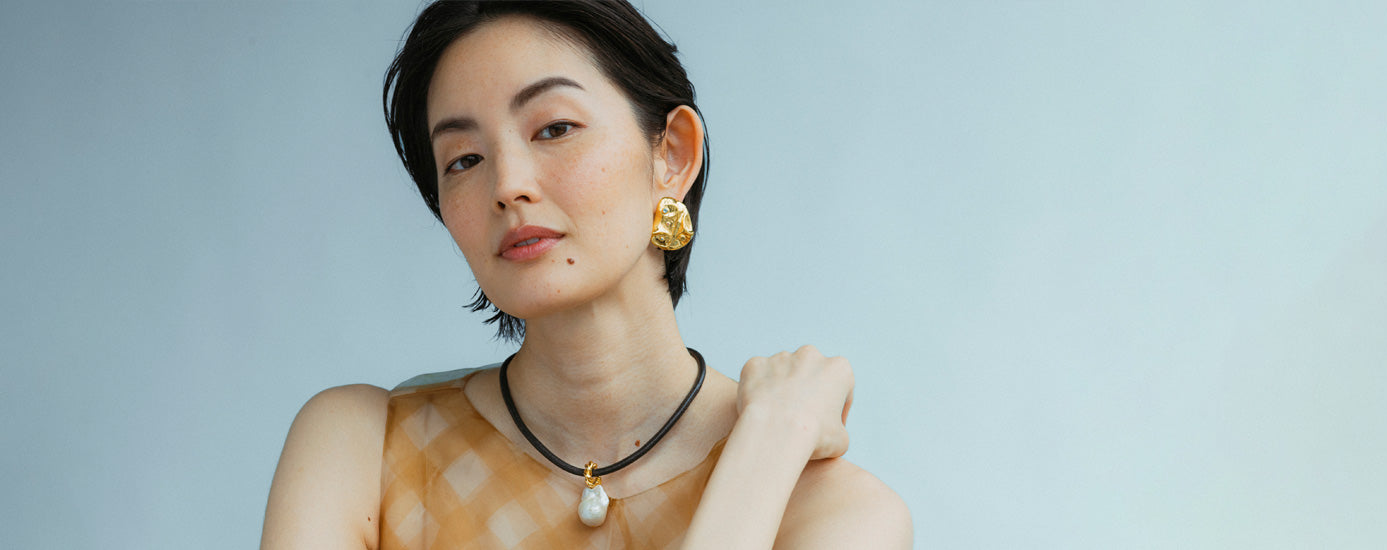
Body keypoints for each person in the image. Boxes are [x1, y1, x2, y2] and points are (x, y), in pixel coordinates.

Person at [259, 1, 911, 548]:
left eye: (555, 128)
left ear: (673, 156)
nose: (507, 185)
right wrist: (768, 443)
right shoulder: (360, 451)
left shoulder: (834, 514)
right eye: (463, 160)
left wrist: (766, 444)